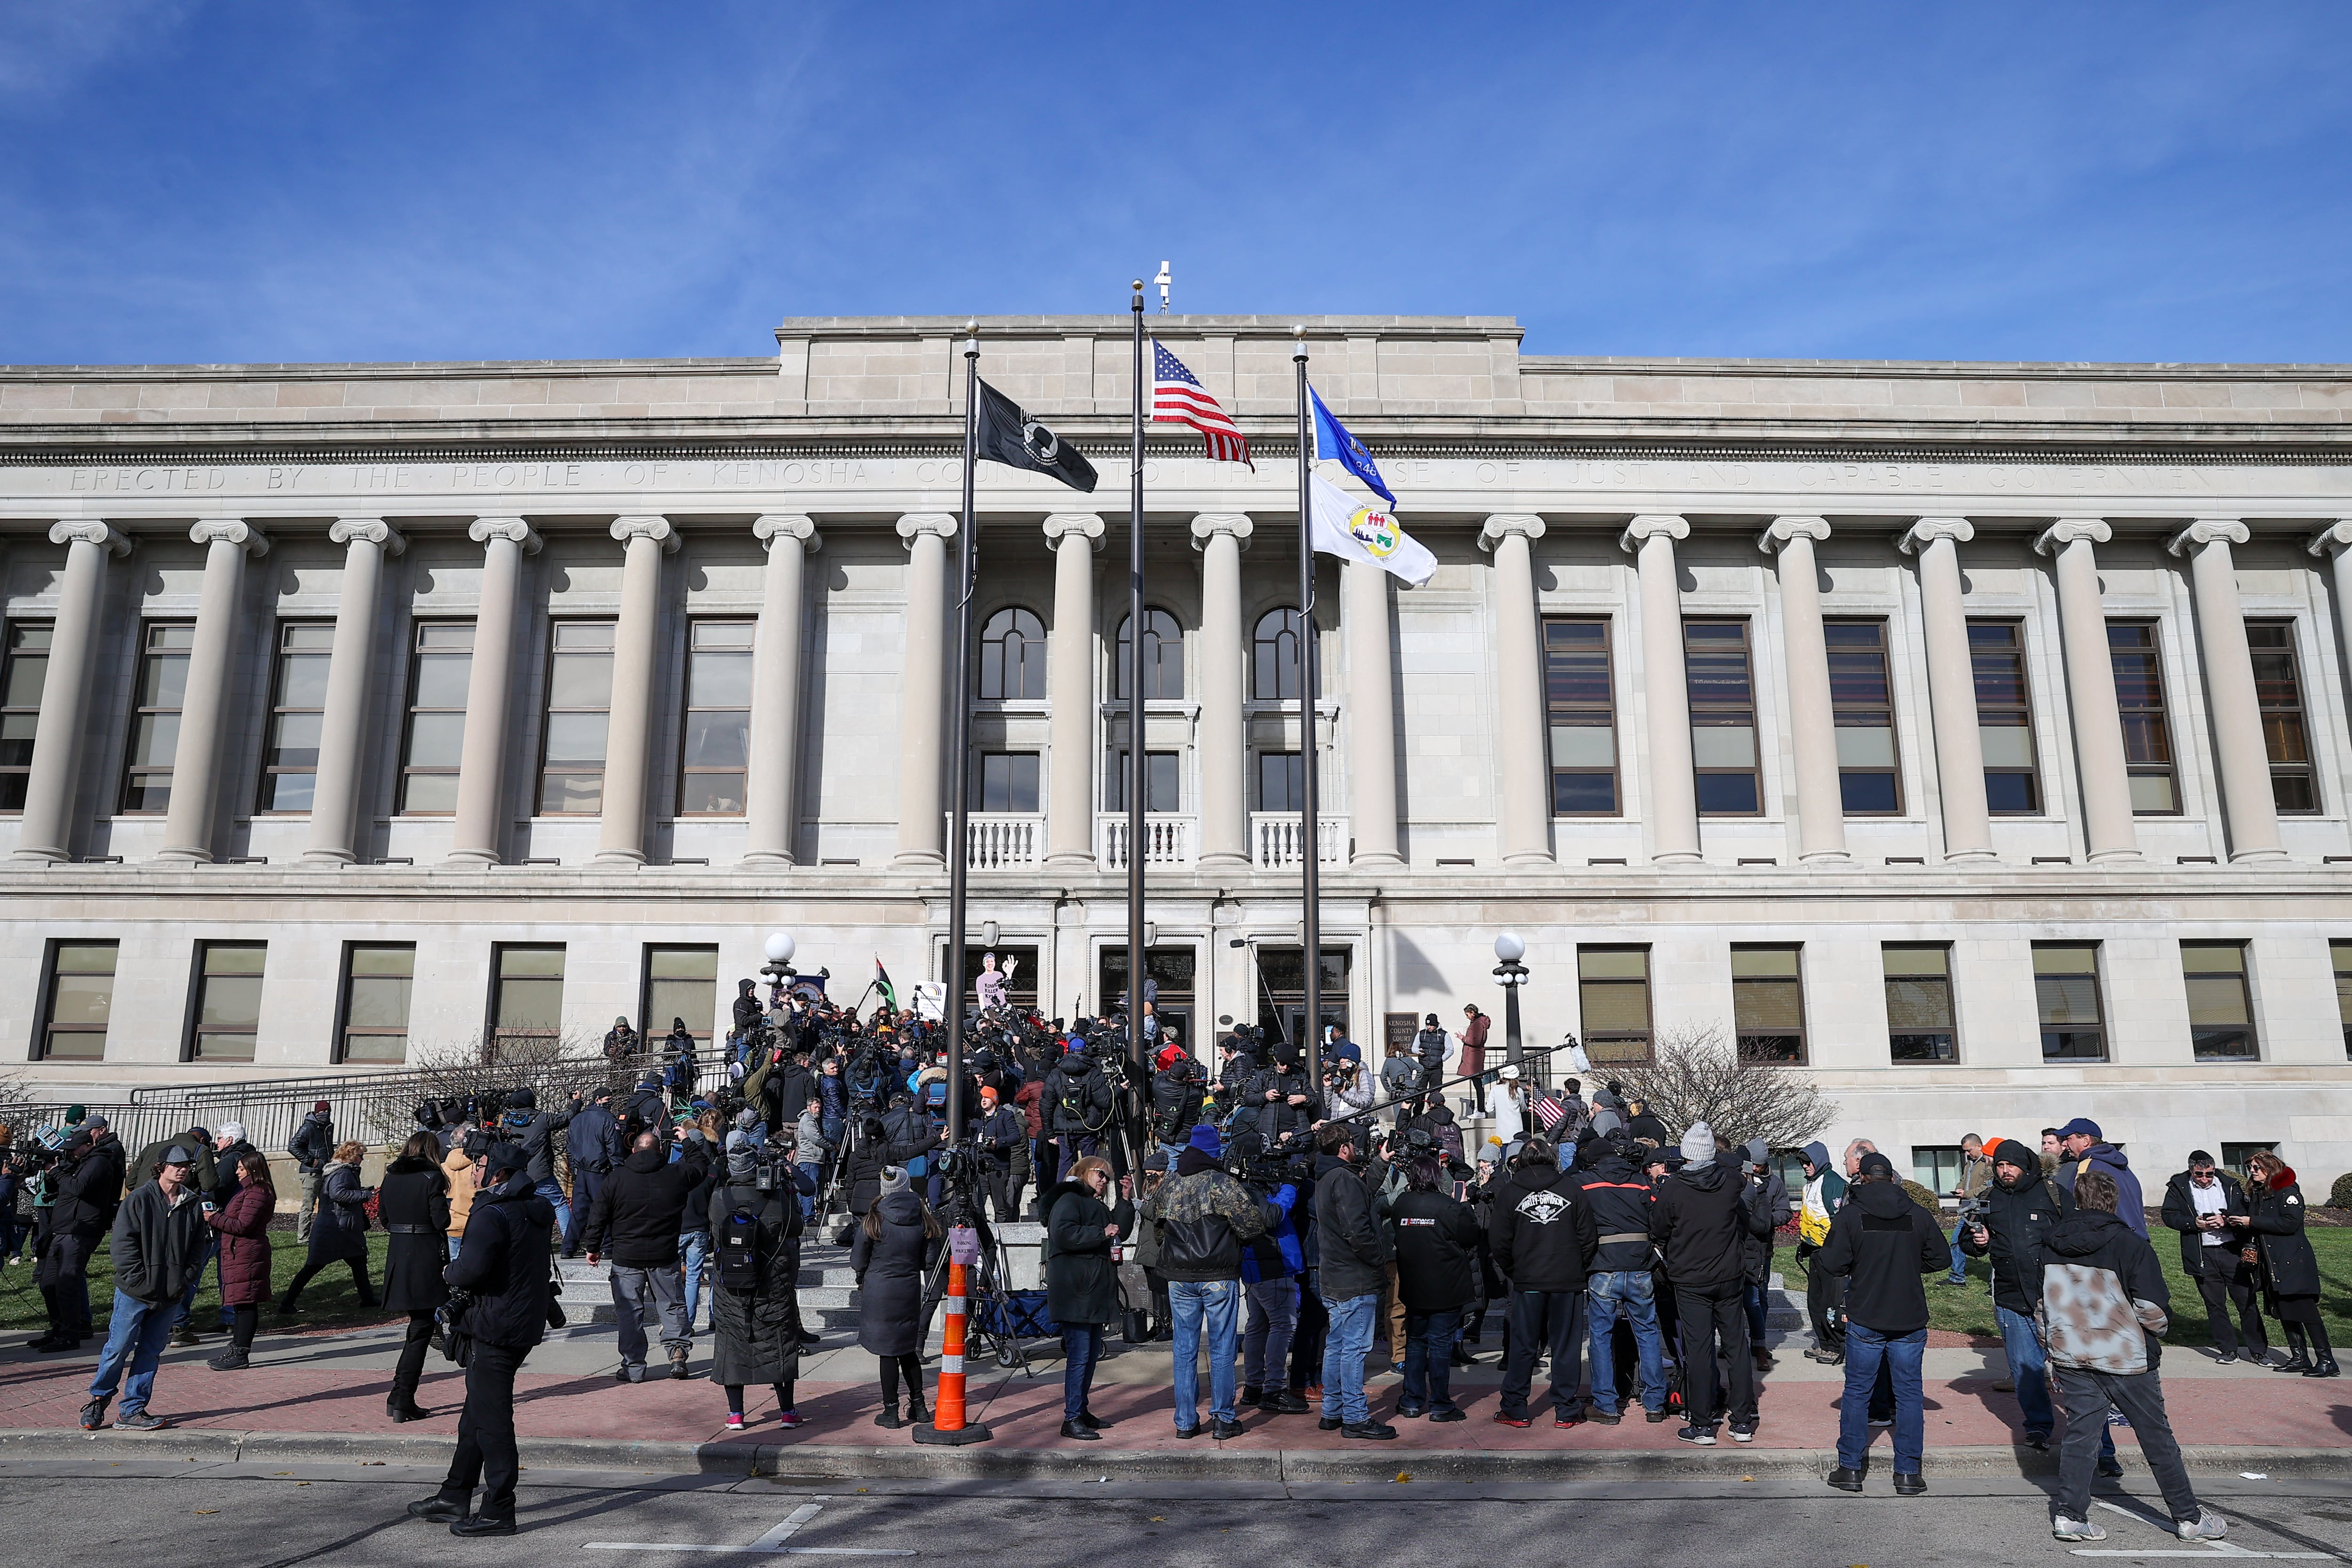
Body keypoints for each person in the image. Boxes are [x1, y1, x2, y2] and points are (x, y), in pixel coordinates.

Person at [2042, 1168, 2228, 1544]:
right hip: (2124, 1353)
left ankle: (2070, 1514)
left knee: (2081, 1436)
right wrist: (2155, 1329)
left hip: (2072, 1350)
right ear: (2113, 1201)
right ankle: (2188, 1517)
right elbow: (2153, 1308)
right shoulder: (2129, 1243)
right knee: (2156, 1436)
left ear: (2076, 1200)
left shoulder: (2050, 1241)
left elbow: (2040, 1301)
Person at [404, 1142, 556, 1537]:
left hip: (495, 1325)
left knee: (492, 1422)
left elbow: (468, 1271)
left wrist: (448, 1271)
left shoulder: (492, 1213)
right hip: (521, 1322)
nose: (474, 1171)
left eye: (481, 1166)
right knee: (477, 1413)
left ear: (499, 1173)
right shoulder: (536, 1207)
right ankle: (455, 1493)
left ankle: (499, 1508)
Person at [1819, 1151, 1946, 1495]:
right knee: (1908, 1395)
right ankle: (1907, 1472)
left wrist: (1860, 1264)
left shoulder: (1851, 1215)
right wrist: (1908, 1263)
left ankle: (1850, 1468)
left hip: (1866, 1314)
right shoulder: (1917, 1214)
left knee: (1858, 1393)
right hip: (1907, 1315)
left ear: (1862, 1178)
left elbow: (1831, 1263)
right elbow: (1941, 1257)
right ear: (1892, 1177)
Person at [1140, 1123, 1279, 1439]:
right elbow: (1253, 1226)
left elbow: (1158, 1230)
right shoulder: (1223, 1184)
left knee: (1185, 1349)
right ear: (1214, 1152)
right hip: (1218, 1274)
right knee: (1221, 1347)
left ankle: (1186, 1422)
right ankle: (1223, 1418)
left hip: (1178, 1277)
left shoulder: (1170, 1183)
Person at [1958, 1138, 2093, 1454]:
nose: (2005, 1171)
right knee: (2025, 1369)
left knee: (2077, 1372)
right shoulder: (1989, 1197)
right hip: (2011, 1298)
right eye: (2001, 1165)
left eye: (2011, 1165)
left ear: (2026, 1166)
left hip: (2057, 1298)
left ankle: (2099, 1443)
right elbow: (1967, 1240)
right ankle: (2038, 1426)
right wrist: (1979, 1241)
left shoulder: (2053, 1194)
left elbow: (2078, 1234)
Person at [1651, 1123, 1770, 1445]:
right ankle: (1743, 1419)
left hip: (1691, 1278)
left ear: (1686, 1154)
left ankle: (1704, 1423)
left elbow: (1659, 1226)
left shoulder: (1675, 1189)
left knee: (1700, 1350)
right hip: (1728, 1275)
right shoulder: (1731, 1182)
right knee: (1736, 1346)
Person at [80, 1142, 209, 1432]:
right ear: (161, 1167)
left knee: (150, 1351)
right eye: (176, 1165)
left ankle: (133, 1409)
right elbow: (122, 1246)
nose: (182, 1170)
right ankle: (98, 1401)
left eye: (186, 1166)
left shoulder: (190, 1204)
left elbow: (197, 1247)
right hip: (134, 1291)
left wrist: (184, 1279)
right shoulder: (138, 1200)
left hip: (170, 1293)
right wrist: (138, 1280)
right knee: (118, 1347)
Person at [585, 1127, 713, 1382]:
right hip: (663, 1253)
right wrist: (686, 1140)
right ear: (661, 1150)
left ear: (634, 1151)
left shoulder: (617, 1178)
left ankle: (633, 1366)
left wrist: (593, 1246)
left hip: (627, 1254)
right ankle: (677, 1352)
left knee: (630, 1311)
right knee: (672, 1304)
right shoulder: (675, 1174)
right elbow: (701, 1165)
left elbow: (598, 1214)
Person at [1491, 1135, 1600, 1428]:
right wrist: (1577, 1266)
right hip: (1565, 1280)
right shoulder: (1572, 1189)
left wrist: (1515, 1270)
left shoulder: (1511, 1192)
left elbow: (1499, 1241)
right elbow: (1589, 1237)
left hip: (1530, 1280)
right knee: (1565, 1347)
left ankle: (1516, 1407)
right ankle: (1565, 1410)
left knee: (1524, 1345)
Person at [708, 1132, 814, 1430]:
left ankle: (736, 1414)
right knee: (780, 1344)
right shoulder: (778, 1196)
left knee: (731, 1346)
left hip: (732, 1285)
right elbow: (795, 1228)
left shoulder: (719, 1198)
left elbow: (716, 1234)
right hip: (773, 1280)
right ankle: (787, 1412)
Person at [1576, 1129, 1669, 1423]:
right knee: (1648, 1334)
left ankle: (1606, 1404)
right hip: (1640, 1265)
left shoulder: (1583, 1184)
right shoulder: (1642, 1183)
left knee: (1600, 1337)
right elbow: (1658, 1219)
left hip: (1603, 1265)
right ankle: (1655, 1402)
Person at [1311, 1121, 1396, 1440]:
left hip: (1337, 1274)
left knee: (1337, 1344)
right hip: (1353, 1277)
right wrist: (1377, 1259)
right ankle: (1355, 1415)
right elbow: (1357, 1229)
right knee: (1353, 1348)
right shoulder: (1342, 1180)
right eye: (1351, 1144)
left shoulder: (1331, 1177)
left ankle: (1333, 1410)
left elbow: (1360, 1198)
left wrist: (1381, 1162)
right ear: (1344, 1148)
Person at [1041, 1155, 1132, 1439]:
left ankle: (1080, 1410)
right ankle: (1072, 1418)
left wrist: (1126, 1201)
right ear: (1082, 1173)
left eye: (1108, 1177)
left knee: (1090, 1356)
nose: (1105, 1180)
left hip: (1092, 1292)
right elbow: (1063, 1233)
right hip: (1076, 1291)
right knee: (1080, 1356)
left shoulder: (1095, 1204)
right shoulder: (1069, 1199)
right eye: (1100, 1174)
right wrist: (1100, 1232)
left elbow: (1120, 1232)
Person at [851, 1166, 943, 1430]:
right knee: (908, 1350)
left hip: (880, 1292)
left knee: (888, 1354)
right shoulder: (922, 1217)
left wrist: (864, 1275)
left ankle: (891, 1411)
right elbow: (930, 1261)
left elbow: (858, 1259)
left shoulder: (875, 1219)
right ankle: (920, 1406)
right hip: (908, 1289)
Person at [1392, 1154, 1479, 1421]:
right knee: (1440, 1345)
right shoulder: (1448, 1206)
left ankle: (1412, 1399)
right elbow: (1472, 1235)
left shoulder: (1402, 1204)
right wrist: (1464, 1207)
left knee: (1416, 1342)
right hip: (1445, 1286)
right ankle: (1440, 1403)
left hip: (1415, 1284)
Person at [2159, 1151, 2268, 1365]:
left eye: (2209, 1174)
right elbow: (2169, 1215)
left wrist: (2225, 1220)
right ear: (2191, 1171)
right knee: (2215, 1304)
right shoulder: (2178, 1187)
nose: (2204, 1179)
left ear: (2214, 1170)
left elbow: (2245, 1212)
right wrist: (2194, 1223)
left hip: (2232, 1251)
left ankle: (2259, 1351)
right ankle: (2228, 1350)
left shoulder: (2230, 1185)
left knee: (2247, 1302)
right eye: (2199, 1174)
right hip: (2203, 1253)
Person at [2233, 1150, 2335, 1377]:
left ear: (2270, 1169)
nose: (2252, 1172)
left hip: (2293, 1263)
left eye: (2257, 1168)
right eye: (2250, 1168)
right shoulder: (2259, 1193)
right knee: (2284, 1311)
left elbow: (2290, 1223)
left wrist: (2253, 1221)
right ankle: (2299, 1358)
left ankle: (2326, 1360)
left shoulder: (2288, 1192)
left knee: (2307, 1313)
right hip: (2271, 1265)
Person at [32, 1118, 124, 1352]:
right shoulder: (78, 1163)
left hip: (80, 1231)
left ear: (87, 1145)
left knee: (67, 1283)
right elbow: (57, 1189)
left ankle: (71, 1334)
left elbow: (79, 1188)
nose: (70, 1153)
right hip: (61, 1231)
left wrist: (59, 1173)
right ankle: (59, 1328)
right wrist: (52, 1174)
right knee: (48, 1283)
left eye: (73, 1149)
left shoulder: (99, 1163)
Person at [379, 1131, 453, 1420]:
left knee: (418, 1328)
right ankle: (403, 1397)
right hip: (423, 1255)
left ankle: (398, 1396)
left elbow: (384, 1219)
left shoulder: (391, 1177)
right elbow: (441, 1220)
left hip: (399, 1254)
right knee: (420, 1329)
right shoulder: (431, 1177)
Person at [1238, 1141, 1308, 1415]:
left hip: (1259, 1269)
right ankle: (1274, 1390)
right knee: (1283, 1325)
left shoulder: (1253, 1189)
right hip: (1271, 1269)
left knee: (1258, 1326)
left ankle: (1255, 1386)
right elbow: (1271, 1218)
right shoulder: (1251, 1190)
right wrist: (1290, 1186)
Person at [278, 1140, 378, 1314]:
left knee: (359, 1261)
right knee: (313, 1267)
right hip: (335, 1230)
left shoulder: (341, 1171)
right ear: (351, 1156)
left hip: (340, 1228)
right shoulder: (343, 1173)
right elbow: (338, 1193)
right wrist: (364, 1195)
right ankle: (287, 1303)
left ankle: (368, 1299)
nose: (362, 1159)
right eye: (361, 1155)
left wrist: (362, 1191)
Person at [205, 1150, 275, 1370]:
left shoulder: (258, 1192)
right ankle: (236, 1347)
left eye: (241, 1168)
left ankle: (240, 1352)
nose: (237, 1172)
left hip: (248, 1254)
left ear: (253, 1169)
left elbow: (243, 1226)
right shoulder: (249, 1191)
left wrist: (214, 1218)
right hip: (240, 1254)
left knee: (246, 1303)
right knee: (240, 1302)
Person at [500, 1089, 580, 1244]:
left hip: (516, 1176)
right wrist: (576, 1101)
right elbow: (569, 1116)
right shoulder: (542, 1119)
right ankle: (569, 1242)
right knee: (559, 1204)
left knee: (521, 1208)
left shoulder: (507, 1122)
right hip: (540, 1174)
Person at [1795, 1139, 1848, 1363]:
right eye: (1802, 1163)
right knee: (1815, 1301)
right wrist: (1805, 1245)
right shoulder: (1810, 1183)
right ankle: (1824, 1343)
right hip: (1815, 1252)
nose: (1806, 1166)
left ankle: (1837, 1346)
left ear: (1819, 1161)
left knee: (1831, 1302)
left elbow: (1838, 1220)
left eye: (1809, 1162)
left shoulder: (1832, 1183)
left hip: (1831, 1253)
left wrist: (1835, 1251)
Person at [2052, 1118, 2145, 1238]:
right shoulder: (2121, 1165)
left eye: (2068, 1138)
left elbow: (2080, 1209)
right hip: (2136, 1238)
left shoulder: (2088, 1166)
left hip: (2110, 1240)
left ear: (2086, 1140)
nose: (2064, 1144)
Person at [562, 1087, 623, 1258]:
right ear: (598, 1100)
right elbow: (614, 1148)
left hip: (581, 1172)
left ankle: (568, 1248)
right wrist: (619, 1171)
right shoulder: (608, 1120)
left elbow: (570, 1148)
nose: (609, 1102)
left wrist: (575, 1170)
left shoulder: (577, 1119)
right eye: (607, 1099)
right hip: (600, 1172)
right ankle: (606, 1247)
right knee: (605, 1210)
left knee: (579, 1212)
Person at [1941, 1134, 1991, 1285]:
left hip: (1981, 1210)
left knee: (1994, 1245)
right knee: (1957, 1241)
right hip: (1967, 1210)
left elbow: (1987, 1188)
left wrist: (1967, 1194)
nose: (1967, 1154)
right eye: (1965, 1151)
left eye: (1969, 1150)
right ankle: (1957, 1277)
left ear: (1979, 1147)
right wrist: (1959, 1189)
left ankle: (1994, 1284)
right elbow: (1964, 1181)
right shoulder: (1969, 1164)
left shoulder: (1988, 1163)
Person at [289, 1100, 335, 1242]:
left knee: (327, 1205)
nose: (326, 1114)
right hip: (311, 1172)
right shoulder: (308, 1127)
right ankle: (303, 1237)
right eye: (323, 1111)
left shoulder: (327, 1128)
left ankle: (322, 1234)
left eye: (328, 1111)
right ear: (316, 1113)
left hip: (325, 1171)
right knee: (308, 1205)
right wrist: (311, 1161)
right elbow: (293, 1146)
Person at [442, 1130, 479, 1264]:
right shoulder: (478, 1167)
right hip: (473, 1223)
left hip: (452, 1224)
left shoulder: (442, 1168)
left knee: (454, 1265)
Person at [1456, 1004, 1490, 1084]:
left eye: (1467, 1015)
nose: (1467, 1017)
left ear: (1473, 1013)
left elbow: (1476, 1041)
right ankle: (1480, 1097)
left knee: (1477, 1082)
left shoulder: (1478, 1024)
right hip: (1474, 1056)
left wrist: (1463, 1038)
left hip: (1474, 1057)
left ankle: (1480, 1098)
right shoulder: (1477, 1023)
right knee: (1476, 1082)